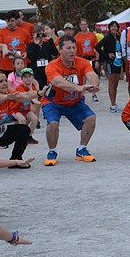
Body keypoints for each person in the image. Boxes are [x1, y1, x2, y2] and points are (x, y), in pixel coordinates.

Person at [42, 35, 101, 166]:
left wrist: (94, 85)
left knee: (91, 118)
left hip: (74, 102)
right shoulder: (52, 66)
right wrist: (78, 88)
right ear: (59, 49)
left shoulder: (82, 62)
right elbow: (58, 82)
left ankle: (82, 149)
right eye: (68, 48)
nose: (72, 51)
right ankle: (52, 151)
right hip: (54, 102)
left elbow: (92, 74)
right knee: (52, 124)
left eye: (74, 47)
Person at [95, 21, 124, 112]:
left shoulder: (119, 38)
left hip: (118, 62)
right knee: (111, 83)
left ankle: (115, 103)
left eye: (115, 26)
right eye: (112, 26)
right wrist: (107, 55)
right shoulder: (107, 38)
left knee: (116, 83)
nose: (114, 28)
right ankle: (112, 104)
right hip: (110, 62)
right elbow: (97, 47)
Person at [26, 23, 58, 89]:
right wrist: (36, 44)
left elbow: (55, 53)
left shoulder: (47, 44)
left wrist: (50, 39)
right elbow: (31, 57)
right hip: (36, 71)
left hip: (47, 69)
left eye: (40, 34)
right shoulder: (30, 46)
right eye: (37, 34)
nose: (38, 36)